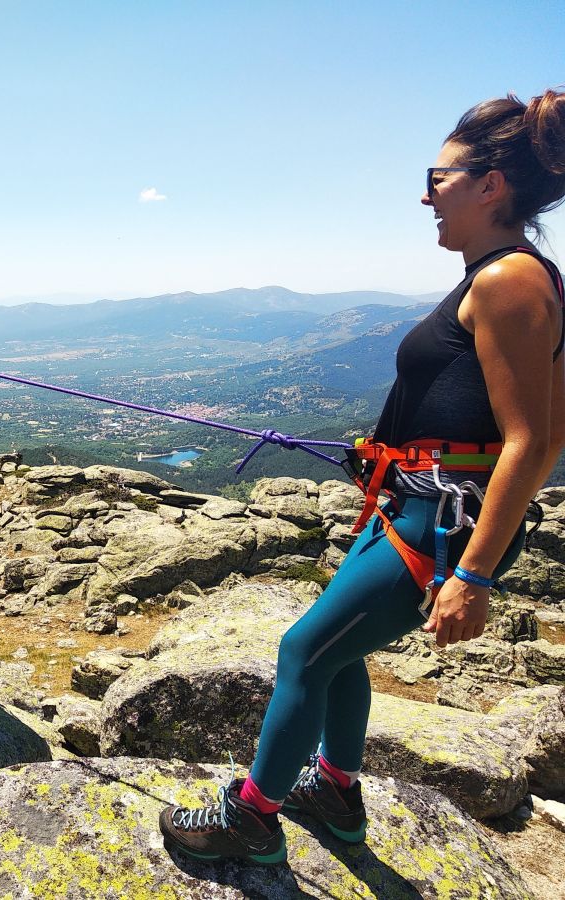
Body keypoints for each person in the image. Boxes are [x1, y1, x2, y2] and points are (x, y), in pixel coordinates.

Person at [159, 89, 565, 865]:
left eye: (437, 178)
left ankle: (251, 819)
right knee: (335, 653)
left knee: (303, 653)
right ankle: (336, 792)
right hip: (420, 508)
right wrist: (391, 457)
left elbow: (535, 440)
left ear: (490, 185)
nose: (425, 195)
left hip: (440, 527)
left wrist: (473, 575)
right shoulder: (512, 275)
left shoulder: (508, 281)